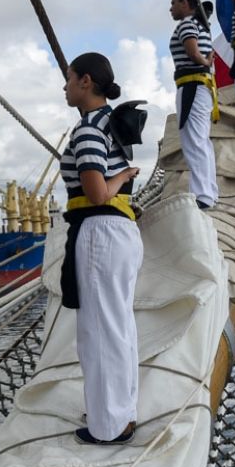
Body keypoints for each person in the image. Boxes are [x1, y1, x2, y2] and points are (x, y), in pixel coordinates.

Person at [59, 52, 143, 446]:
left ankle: (108, 426)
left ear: (86, 81)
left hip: (100, 233)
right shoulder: (112, 125)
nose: (64, 87)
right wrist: (122, 174)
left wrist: (122, 175)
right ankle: (121, 414)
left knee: (99, 332)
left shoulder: (89, 130)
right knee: (118, 327)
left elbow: (96, 193)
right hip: (119, 232)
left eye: (69, 78)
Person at [170, 0, 220, 210]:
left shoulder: (187, 24)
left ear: (185, 3)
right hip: (202, 87)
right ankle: (209, 192)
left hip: (192, 86)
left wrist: (204, 61)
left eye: (174, 3)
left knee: (193, 141)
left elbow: (192, 51)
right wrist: (205, 61)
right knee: (202, 141)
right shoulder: (201, 26)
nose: (171, 8)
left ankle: (202, 195)